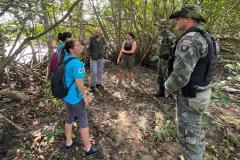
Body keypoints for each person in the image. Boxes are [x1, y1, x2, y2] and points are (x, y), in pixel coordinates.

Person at [165, 5, 219, 160]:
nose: (175, 21)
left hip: (190, 97)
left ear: (188, 19)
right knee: (195, 128)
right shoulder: (208, 37)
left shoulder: (190, 39)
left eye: (178, 18)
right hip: (202, 93)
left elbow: (181, 75)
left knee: (189, 135)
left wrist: (168, 87)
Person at [59, 40, 101, 157]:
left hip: (66, 96)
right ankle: (88, 149)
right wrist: (85, 96)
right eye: (78, 45)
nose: (81, 46)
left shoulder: (65, 58)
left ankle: (69, 142)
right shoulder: (76, 63)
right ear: (71, 50)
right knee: (83, 121)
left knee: (69, 117)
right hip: (76, 98)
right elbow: (78, 82)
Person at [153, 19, 176, 99]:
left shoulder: (170, 36)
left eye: (158, 25)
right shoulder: (160, 35)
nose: (157, 26)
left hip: (167, 60)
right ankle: (161, 92)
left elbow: (174, 48)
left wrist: (171, 58)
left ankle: (170, 95)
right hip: (160, 58)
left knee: (168, 77)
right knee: (160, 76)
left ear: (163, 26)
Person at [88, 27, 106, 92]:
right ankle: (92, 85)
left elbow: (104, 45)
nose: (97, 33)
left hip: (101, 57)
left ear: (100, 32)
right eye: (96, 32)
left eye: (98, 32)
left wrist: (103, 52)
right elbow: (88, 47)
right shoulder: (91, 39)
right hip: (93, 58)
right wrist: (90, 53)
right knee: (94, 71)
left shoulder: (102, 39)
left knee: (100, 71)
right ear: (94, 32)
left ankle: (99, 83)